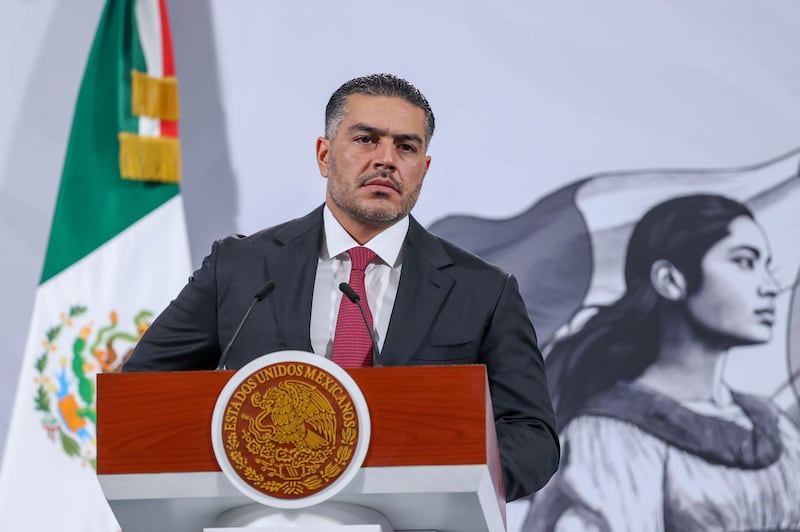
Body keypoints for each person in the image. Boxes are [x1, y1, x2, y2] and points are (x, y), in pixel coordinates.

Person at [123, 73, 560, 501]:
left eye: (406, 147)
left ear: (423, 168)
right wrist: (243, 459)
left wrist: (443, 474)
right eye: (366, 139)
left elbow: (532, 438)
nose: (386, 159)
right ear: (323, 154)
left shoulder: (482, 291)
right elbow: (142, 393)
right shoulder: (241, 269)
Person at [524, 194, 800, 531]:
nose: (771, 287)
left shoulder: (776, 427)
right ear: (670, 280)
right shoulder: (612, 435)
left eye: (767, 266)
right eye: (744, 262)